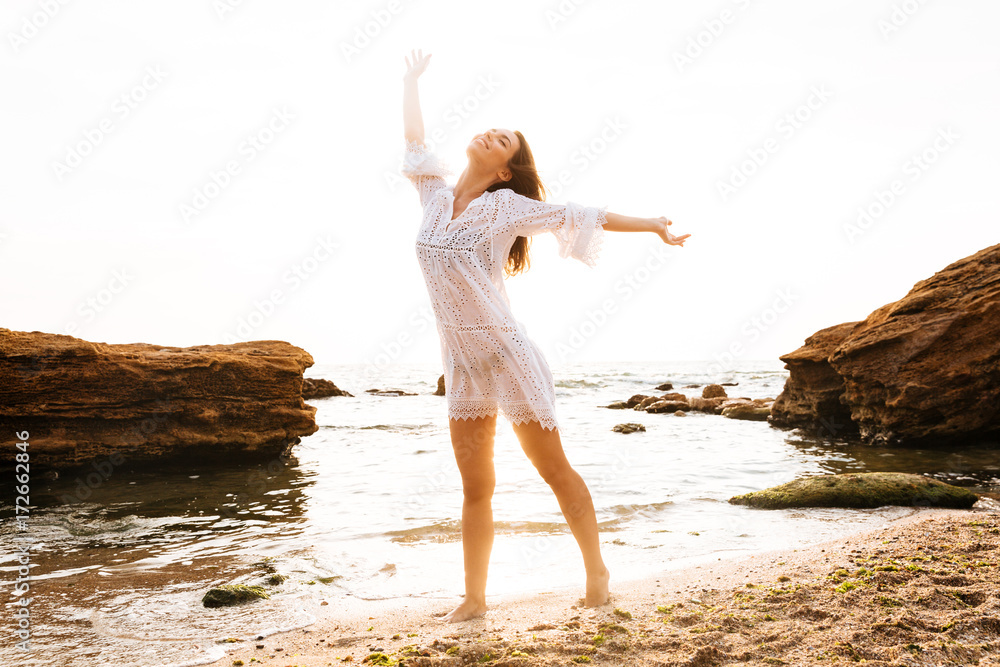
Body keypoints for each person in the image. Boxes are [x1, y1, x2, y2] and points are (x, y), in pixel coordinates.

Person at [400, 48, 691, 623]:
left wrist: (652, 225)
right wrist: (410, 81)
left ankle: (597, 574)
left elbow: (581, 214)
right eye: (492, 130)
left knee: (552, 470)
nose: (492, 134)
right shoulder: (432, 194)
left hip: (509, 354)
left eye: (504, 139)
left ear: (506, 169)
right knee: (476, 485)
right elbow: (413, 140)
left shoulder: (506, 206)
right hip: (461, 364)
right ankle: (475, 599)